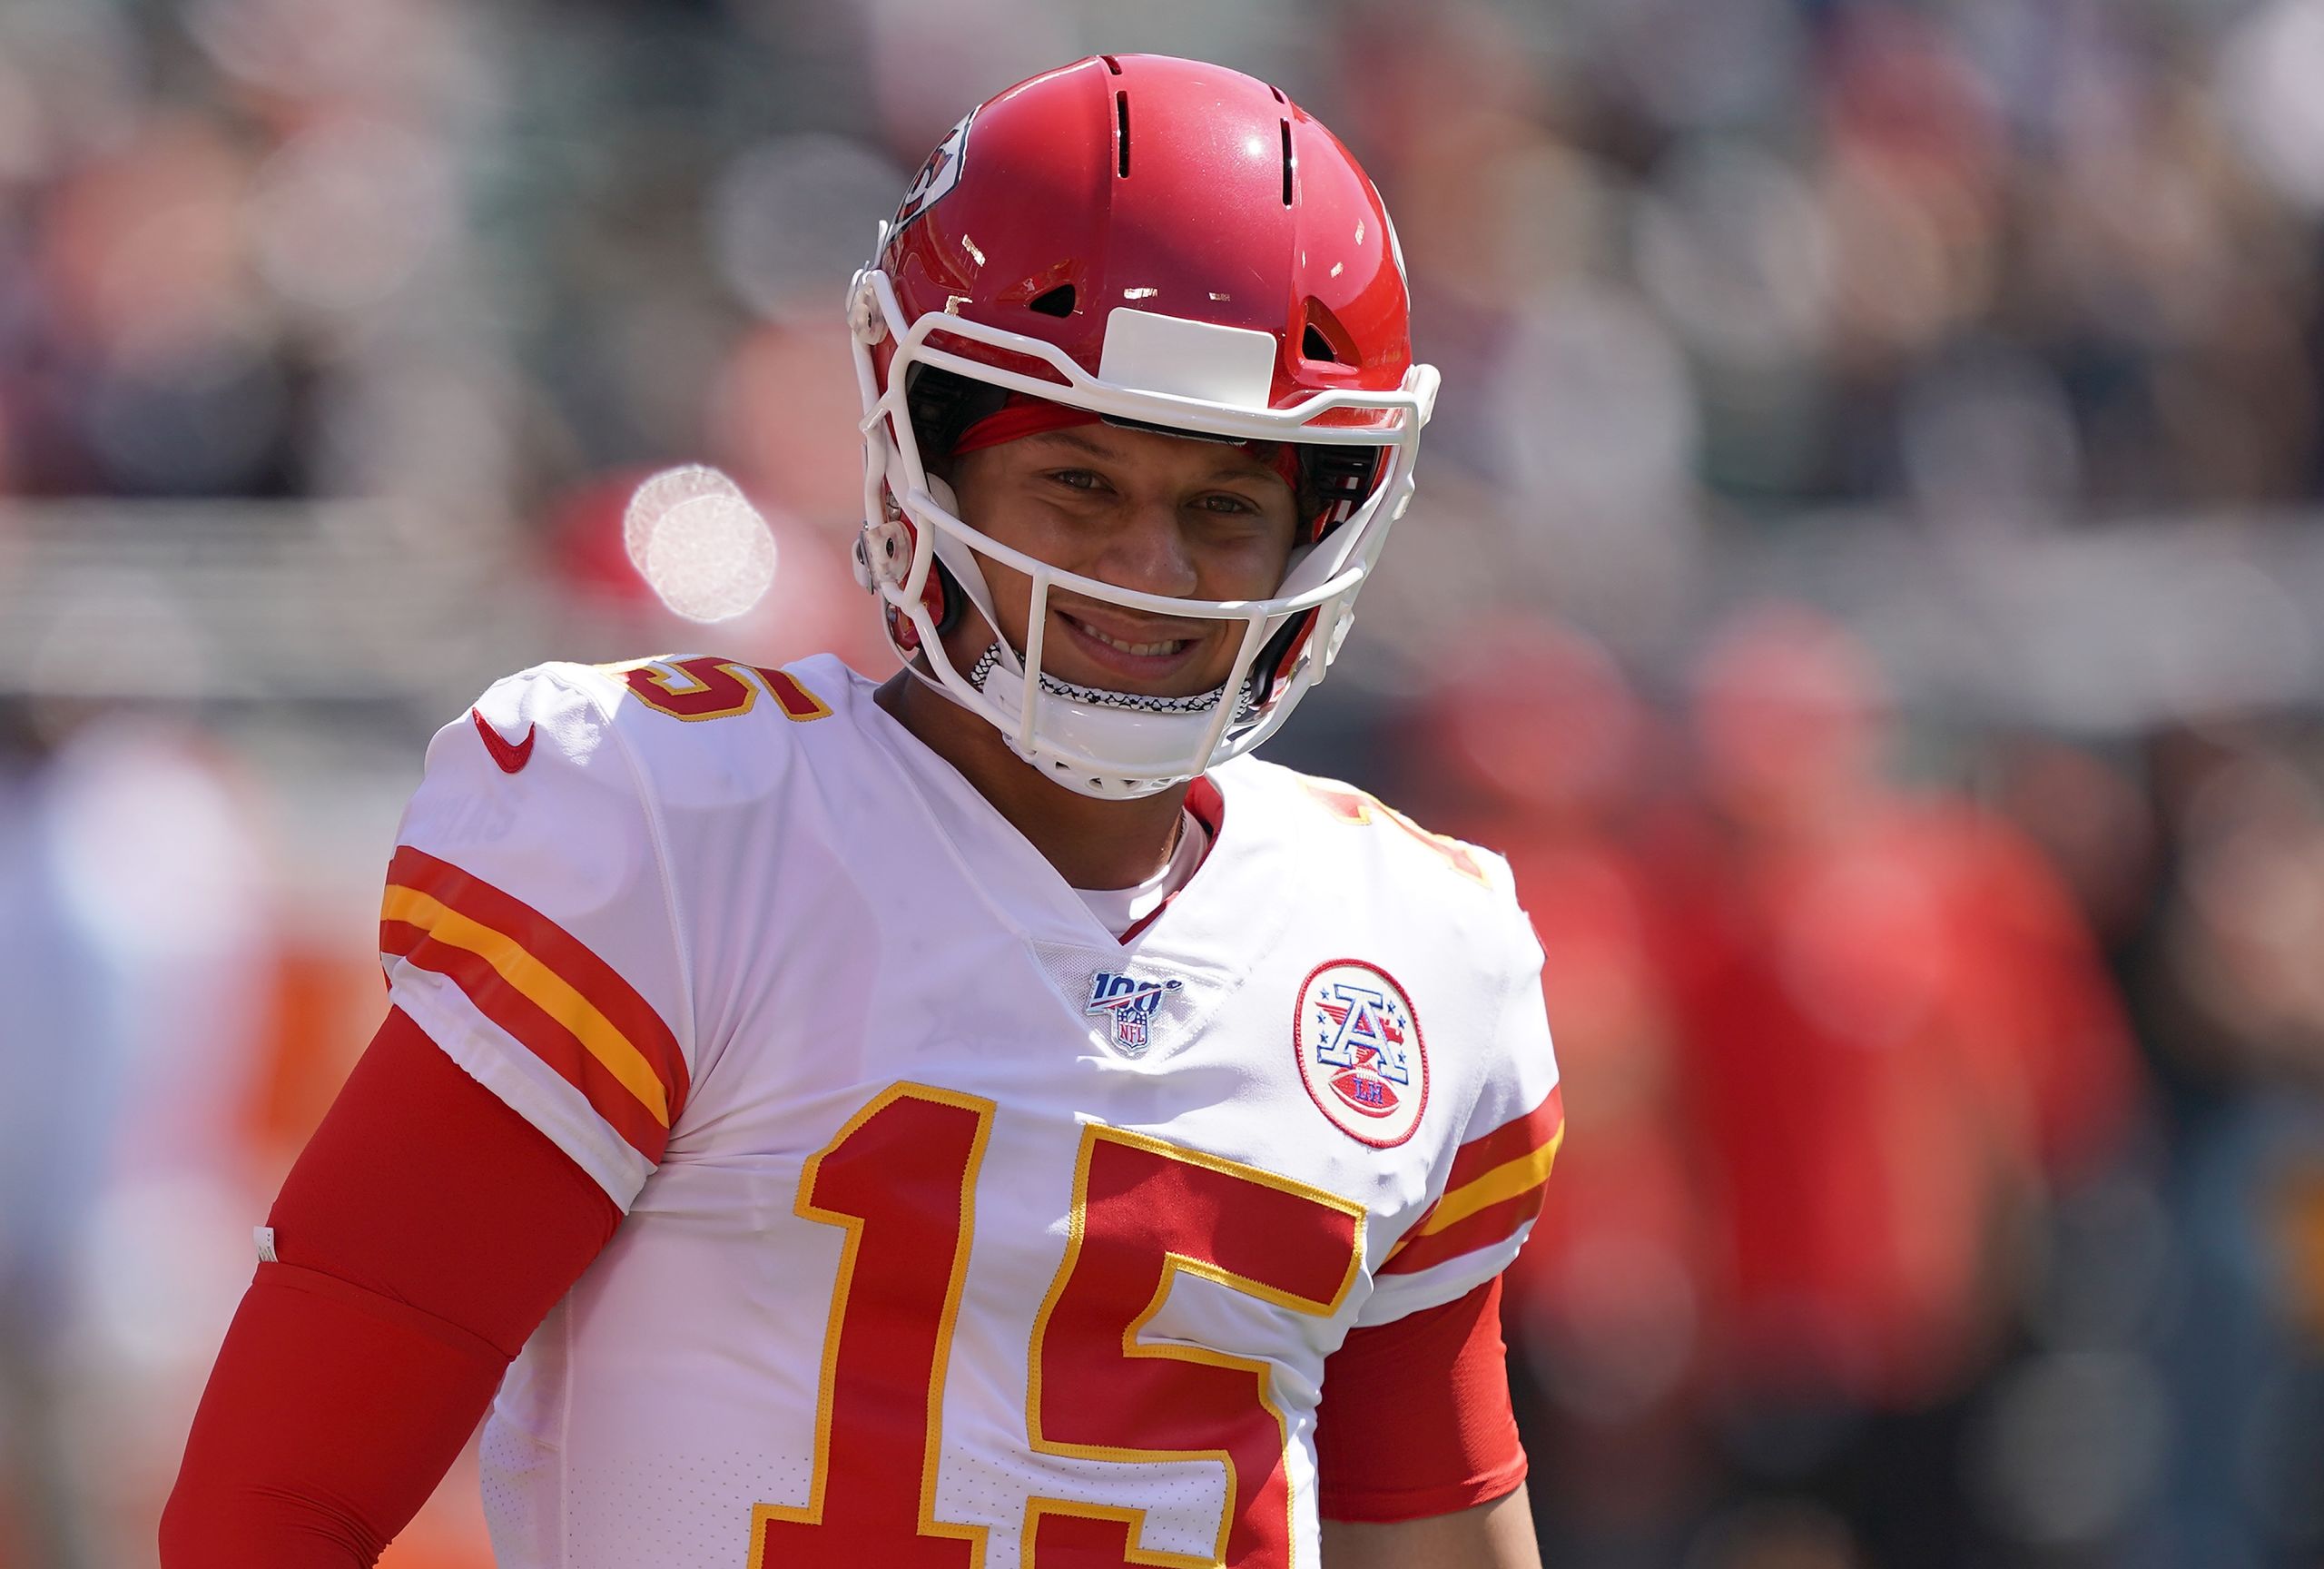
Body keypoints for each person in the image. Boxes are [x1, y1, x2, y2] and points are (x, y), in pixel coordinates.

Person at [162, 54, 1562, 1569]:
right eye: (1081, 484)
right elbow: (276, 1503)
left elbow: (1435, 1532)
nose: (1148, 571)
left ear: (1328, 522)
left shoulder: (1412, 951)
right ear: (925, 457)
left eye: (1225, 506)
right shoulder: (685, 839)